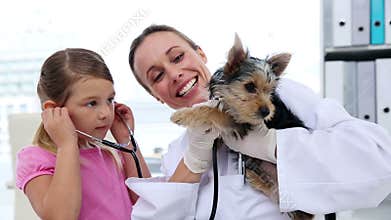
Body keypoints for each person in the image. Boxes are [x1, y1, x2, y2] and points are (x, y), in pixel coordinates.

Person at [126, 24, 391, 219]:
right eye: (157, 75)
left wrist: (274, 145)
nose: (174, 74)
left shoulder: (277, 95)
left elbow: (378, 160)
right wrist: (194, 161)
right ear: (156, 96)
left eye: (177, 57)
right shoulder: (176, 155)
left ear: (201, 54)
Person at [15, 48, 151, 219]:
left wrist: (126, 140)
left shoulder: (110, 155)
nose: (106, 113)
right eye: (92, 103)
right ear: (54, 110)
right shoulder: (37, 159)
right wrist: (67, 146)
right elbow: (60, 216)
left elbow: (147, 202)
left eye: (109, 100)